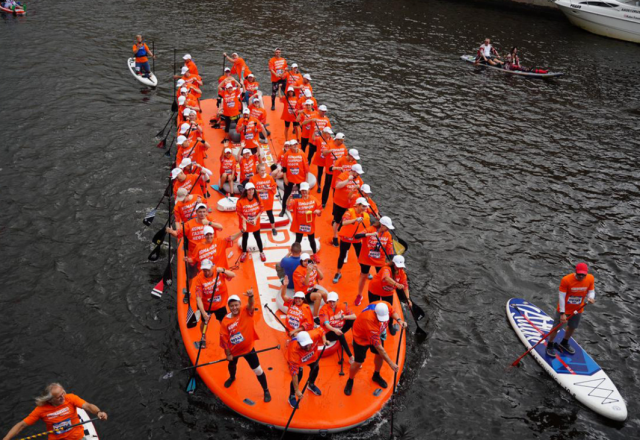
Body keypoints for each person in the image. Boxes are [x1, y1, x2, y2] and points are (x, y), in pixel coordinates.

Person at [3, 383, 108, 440]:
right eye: (59, 397)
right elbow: (21, 425)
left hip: (77, 438)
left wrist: (98, 412)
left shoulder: (70, 398)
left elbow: (88, 406)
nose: (63, 397)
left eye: (63, 393)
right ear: (50, 400)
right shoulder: (41, 410)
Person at [220, 289, 272, 402]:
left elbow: (251, 304)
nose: (234, 308)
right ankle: (232, 377)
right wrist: (228, 354)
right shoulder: (225, 321)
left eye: (236, 305)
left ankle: (266, 390)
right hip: (234, 351)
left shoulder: (246, 311)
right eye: (231, 306)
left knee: (258, 370)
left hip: (248, 349)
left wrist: (251, 296)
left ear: (240, 304)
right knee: (232, 365)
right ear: (229, 307)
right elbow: (224, 339)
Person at [344, 302, 406, 396]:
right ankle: (350, 380)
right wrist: (391, 364)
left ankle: (376, 375)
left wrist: (399, 320)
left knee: (379, 356)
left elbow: (392, 311)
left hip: (377, 332)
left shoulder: (384, 305)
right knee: (358, 362)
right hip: (362, 338)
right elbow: (380, 349)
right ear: (376, 314)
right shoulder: (369, 321)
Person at [545, 263, 596, 357]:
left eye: (583, 275)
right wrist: (562, 313)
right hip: (565, 309)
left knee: (572, 327)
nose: (581, 276)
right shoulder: (566, 280)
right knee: (556, 328)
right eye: (579, 274)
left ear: (586, 273)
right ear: (575, 272)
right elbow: (561, 297)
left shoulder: (590, 278)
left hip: (578, 309)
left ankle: (564, 342)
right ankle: (550, 344)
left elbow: (591, 291)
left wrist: (590, 297)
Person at [355, 216, 395, 306]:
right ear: (382, 225)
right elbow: (357, 236)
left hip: (380, 260)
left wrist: (392, 259)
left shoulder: (388, 234)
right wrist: (369, 235)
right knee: (363, 276)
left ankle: (380, 294)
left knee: (382, 279)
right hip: (366, 258)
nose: (388, 229)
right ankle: (359, 295)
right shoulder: (370, 229)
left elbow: (390, 249)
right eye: (387, 227)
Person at [193, 260, 236, 341]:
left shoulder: (218, 271)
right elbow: (198, 298)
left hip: (220, 305)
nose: (206, 272)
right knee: (205, 323)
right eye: (204, 270)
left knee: (223, 322)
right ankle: (203, 337)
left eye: (208, 270)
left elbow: (233, 275)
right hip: (206, 306)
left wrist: (223, 270)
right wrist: (203, 313)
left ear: (212, 267)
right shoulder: (199, 279)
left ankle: (227, 336)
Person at [285, 328, 327, 408]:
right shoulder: (293, 352)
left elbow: (322, 331)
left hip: (311, 357)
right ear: (299, 343)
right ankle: (292, 396)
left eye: (309, 344)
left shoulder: (313, 335)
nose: (308, 347)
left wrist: (324, 340)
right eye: (305, 345)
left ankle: (311, 384)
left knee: (315, 368)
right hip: (299, 361)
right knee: (299, 376)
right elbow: (294, 373)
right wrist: (297, 390)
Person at [333, 197, 371, 284]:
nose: (365, 208)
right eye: (363, 206)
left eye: (366, 207)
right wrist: (355, 220)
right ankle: (338, 273)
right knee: (342, 255)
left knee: (360, 256)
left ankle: (365, 272)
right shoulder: (349, 212)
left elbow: (368, 228)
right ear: (357, 205)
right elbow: (344, 222)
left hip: (357, 239)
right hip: (346, 238)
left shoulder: (366, 215)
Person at [332, 164, 365, 247]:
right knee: (337, 221)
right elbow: (337, 186)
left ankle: (344, 235)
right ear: (353, 171)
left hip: (351, 205)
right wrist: (347, 180)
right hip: (340, 203)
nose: (359, 175)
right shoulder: (343, 175)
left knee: (347, 221)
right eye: (358, 173)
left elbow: (361, 189)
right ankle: (335, 237)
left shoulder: (358, 179)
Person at [319, 291, 357, 364]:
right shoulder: (323, 310)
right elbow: (327, 325)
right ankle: (351, 357)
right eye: (330, 301)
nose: (332, 303)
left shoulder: (343, 306)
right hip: (328, 332)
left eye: (334, 301)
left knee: (352, 321)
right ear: (327, 301)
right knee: (340, 334)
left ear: (337, 300)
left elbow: (354, 316)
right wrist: (335, 330)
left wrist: (342, 317)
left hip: (339, 327)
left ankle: (354, 340)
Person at [288, 182, 322, 259]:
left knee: (312, 240)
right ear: (300, 191)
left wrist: (318, 211)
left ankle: (315, 254)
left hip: (309, 225)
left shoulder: (313, 199)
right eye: (302, 190)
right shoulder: (297, 199)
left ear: (309, 190)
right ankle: (295, 253)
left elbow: (320, 209)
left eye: (305, 190)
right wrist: (289, 198)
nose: (304, 192)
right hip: (299, 225)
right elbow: (289, 206)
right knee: (298, 241)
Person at [236, 183, 266, 263]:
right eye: (249, 189)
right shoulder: (241, 201)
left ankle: (261, 252)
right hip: (245, 223)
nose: (251, 191)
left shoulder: (258, 199)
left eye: (252, 189)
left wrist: (255, 219)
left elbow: (261, 209)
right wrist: (245, 220)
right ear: (246, 191)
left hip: (255, 222)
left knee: (257, 237)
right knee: (245, 238)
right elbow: (238, 212)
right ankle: (244, 252)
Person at [293, 253, 328, 317]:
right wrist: (308, 272)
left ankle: (330, 309)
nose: (306, 262)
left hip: (311, 289)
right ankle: (315, 316)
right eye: (304, 261)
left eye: (308, 260)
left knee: (324, 293)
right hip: (303, 293)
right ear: (301, 261)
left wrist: (317, 268)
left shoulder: (312, 268)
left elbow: (321, 277)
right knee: (318, 296)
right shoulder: (298, 272)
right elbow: (306, 284)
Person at [279, 139, 309, 215]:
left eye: (296, 144)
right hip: (290, 178)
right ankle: (283, 209)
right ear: (290, 146)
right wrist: (285, 178)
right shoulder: (287, 154)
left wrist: (306, 179)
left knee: (301, 194)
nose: (295, 145)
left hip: (300, 178)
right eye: (293, 145)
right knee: (286, 194)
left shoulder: (302, 154)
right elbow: (284, 168)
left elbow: (306, 168)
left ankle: (300, 208)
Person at [250, 163, 278, 235]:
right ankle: (255, 228)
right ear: (258, 170)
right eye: (262, 171)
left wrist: (269, 188)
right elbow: (250, 190)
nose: (263, 172)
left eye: (264, 170)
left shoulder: (269, 177)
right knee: (256, 215)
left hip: (268, 201)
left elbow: (274, 187)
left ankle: (273, 228)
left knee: (270, 214)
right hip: (258, 201)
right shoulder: (253, 179)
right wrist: (260, 191)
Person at [322, 132, 348, 206]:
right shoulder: (329, 145)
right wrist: (329, 151)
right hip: (330, 170)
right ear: (337, 139)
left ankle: (335, 202)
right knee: (327, 185)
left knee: (336, 187)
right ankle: (323, 202)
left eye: (343, 141)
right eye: (341, 141)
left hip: (339, 171)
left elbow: (345, 157)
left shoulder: (343, 147)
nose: (342, 142)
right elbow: (324, 153)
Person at [276, 243, 302, 312]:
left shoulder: (285, 260)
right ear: (300, 251)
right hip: (300, 285)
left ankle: (282, 279)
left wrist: (288, 253)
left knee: (278, 265)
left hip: (288, 285)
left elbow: (281, 262)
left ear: (291, 250)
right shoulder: (304, 261)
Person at [311, 127, 334, 194]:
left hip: (328, 159)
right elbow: (313, 139)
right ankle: (319, 186)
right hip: (320, 159)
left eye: (330, 134)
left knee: (328, 173)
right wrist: (314, 132)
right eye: (328, 134)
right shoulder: (319, 139)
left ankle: (328, 186)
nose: (329, 135)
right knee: (320, 172)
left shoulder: (331, 140)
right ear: (324, 133)